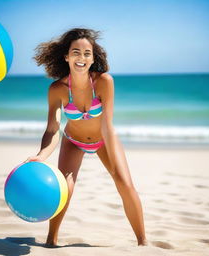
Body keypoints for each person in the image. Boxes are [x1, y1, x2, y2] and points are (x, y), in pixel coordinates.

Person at [26, 28, 147, 246]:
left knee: (125, 184)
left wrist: (116, 165)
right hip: (73, 141)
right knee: (65, 188)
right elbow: (52, 129)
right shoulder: (57, 89)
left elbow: (108, 126)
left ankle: (143, 242)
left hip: (104, 139)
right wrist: (41, 155)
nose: (81, 57)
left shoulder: (104, 82)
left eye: (86, 53)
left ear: (92, 58)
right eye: (76, 52)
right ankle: (51, 241)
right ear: (66, 56)